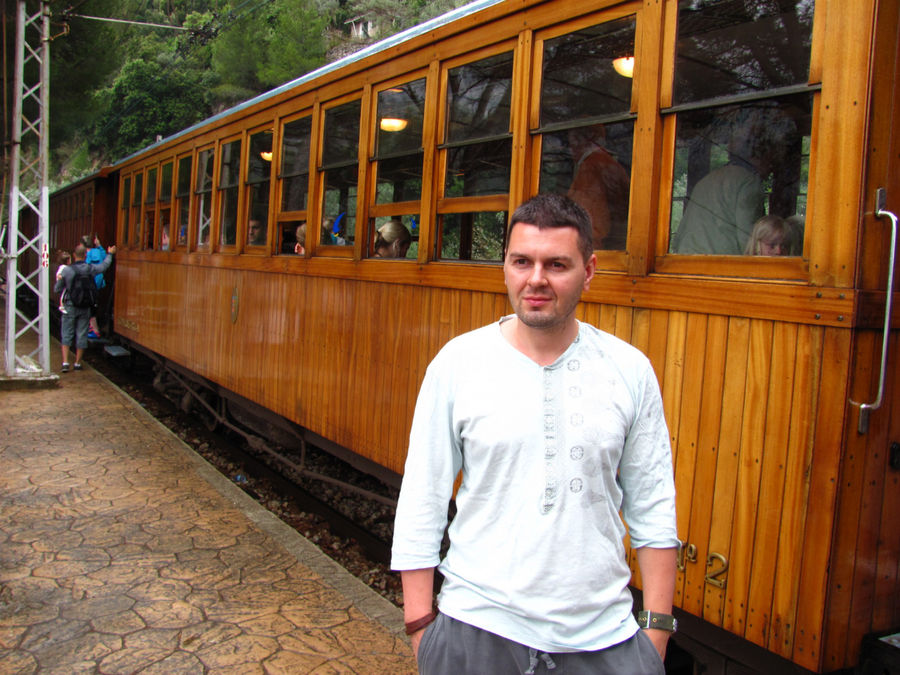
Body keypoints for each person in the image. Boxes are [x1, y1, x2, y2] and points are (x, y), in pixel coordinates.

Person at [392, 194, 678, 674]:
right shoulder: (458, 364)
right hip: (474, 632)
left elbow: (654, 507)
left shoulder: (629, 370)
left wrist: (655, 636)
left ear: (588, 271)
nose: (536, 279)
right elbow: (422, 498)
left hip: (603, 641)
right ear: (505, 266)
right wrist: (422, 626)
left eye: (556, 264)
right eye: (521, 261)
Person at [670, 106, 794, 255]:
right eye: (772, 162)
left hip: (685, 262)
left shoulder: (707, 180)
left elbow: (679, 237)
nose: (771, 171)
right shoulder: (749, 182)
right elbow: (749, 239)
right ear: (762, 155)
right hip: (720, 268)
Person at [566, 124, 630, 250]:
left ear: (582, 140)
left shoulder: (591, 166)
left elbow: (590, 224)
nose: (570, 149)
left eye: (572, 141)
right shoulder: (608, 163)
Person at [55, 242, 116, 372]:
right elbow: (104, 266)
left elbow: (57, 288)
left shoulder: (67, 270)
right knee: (81, 334)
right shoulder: (90, 269)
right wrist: (110, 254)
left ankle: (65, 362)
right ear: (85, 255)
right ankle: (78, 363)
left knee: (67, 333)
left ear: (73, 255)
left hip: (70, 306)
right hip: (85, 306)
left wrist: (62, 280)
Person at [82, 234, 106, 337]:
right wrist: (99, 245)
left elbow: (85, 270)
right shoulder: (99, 252)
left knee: (90, 309)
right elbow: (105, 256)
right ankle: (93, 329)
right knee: (93, 307)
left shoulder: (88, 255)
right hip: (99, 283)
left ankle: (94, 330)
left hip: (91, 285)